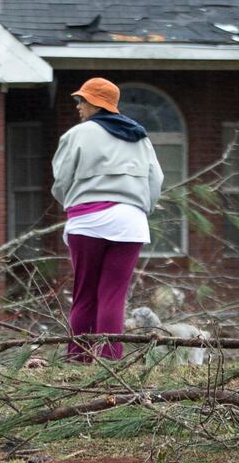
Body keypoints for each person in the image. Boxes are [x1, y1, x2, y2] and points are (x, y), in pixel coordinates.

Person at [50, 77, 164, 361]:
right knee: (113, 296)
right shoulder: (140, 136)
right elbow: (157, 179)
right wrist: (139, 208)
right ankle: (111, 361)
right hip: (130, 222)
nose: (78, 106)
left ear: (95, 103)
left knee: (85, 294)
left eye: (82, 100)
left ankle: (79, 359)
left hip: (88, 221)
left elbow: (61, 180)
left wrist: (72, 203)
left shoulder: (78, 134)